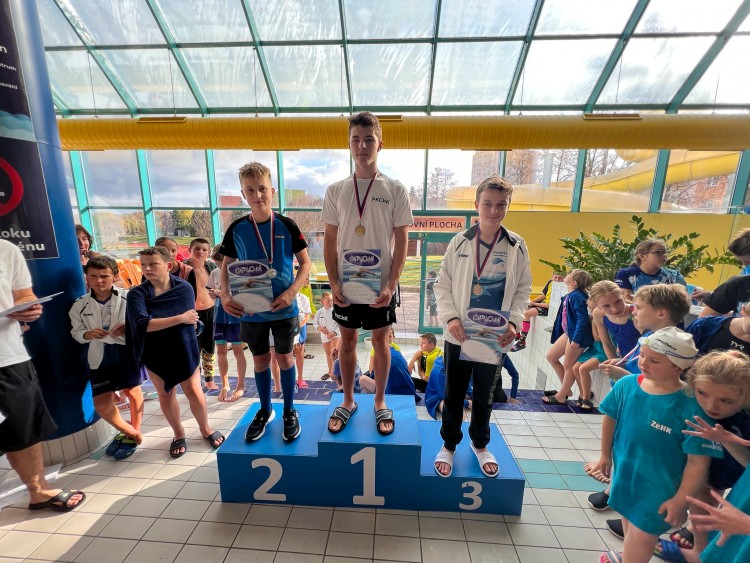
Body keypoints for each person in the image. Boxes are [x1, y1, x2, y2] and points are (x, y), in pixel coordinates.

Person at [588, 328, 722, 563]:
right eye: (642, 355)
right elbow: (610, 417)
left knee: (642, 537)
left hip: (659, 490)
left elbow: (698, 463)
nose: (643, 363)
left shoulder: (691, 406)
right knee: (630, 527)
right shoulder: (627, 385)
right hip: (626, 478)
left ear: (678, 367)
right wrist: (604, 456)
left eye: (655, 360)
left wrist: (680, 500)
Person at [433, 175, 532, 479]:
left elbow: (523, 289)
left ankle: (480, 443)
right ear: (476, 204)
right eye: (487, 204)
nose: (493, 210)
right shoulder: (460, 242)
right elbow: (442, 285)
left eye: (501, 205)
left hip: (495, 336)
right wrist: (451, 318)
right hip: (460, 333)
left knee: (486, 395)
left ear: (508, 206)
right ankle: (449, 444)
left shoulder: (517, 245)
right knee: (453, 392)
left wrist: (514, 321)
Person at [322, 111, 412, 435]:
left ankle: (379, 400)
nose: (362, 146)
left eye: (368, 140)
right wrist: (333, 283)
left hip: (380, 287)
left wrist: (391, 284)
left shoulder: (395, 189)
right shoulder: (336, 190)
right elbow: (329, 240)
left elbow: (402, 241)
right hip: (347, 285)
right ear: (349, 145)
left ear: (380, 144)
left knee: (380, 342)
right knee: (346, 342)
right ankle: (348, 400)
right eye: (356, 140)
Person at [220, 161, 311, 442]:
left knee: (285, 358)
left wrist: (292, 291)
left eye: (262, 188)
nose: (257, 195)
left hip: (284, 308)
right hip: (252, 310)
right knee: (260, 361)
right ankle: (264, 409)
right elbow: (226, 265)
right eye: (250, 190)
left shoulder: (287, 225)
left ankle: (290, 410)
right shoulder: (237, 228)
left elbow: (306, 263)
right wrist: (225, 295)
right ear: (243, 194)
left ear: (272, 191)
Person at [588, 284, 692, 525]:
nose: (633, 310)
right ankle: (618, 495)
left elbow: (660, 385)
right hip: (636, 404)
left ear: (661, 313)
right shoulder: (649, 337)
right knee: (626, 448)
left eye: (639, 307)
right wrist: (620, 364)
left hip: (650, 410)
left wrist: (622, 375)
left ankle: (638, 516)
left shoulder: (672, 346)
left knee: (644, 458)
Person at [0, 239, 85, 512]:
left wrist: (28, 306)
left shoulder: (6, 250)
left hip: (8, 357)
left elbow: (23, 294)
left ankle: (38, 491)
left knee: (22, 429)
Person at [125, 246, 224, 458]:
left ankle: (205, 428)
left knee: (195, 393)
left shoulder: (184, 288)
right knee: (166, 394)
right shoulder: (137, 293)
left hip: (184, 347)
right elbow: (142, 325)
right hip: (154, 352)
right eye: (143, 265)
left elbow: (189, 322)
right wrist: (180, 319)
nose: (147, 269)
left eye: (153, 264)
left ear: (168, 265)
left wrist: (162, 321)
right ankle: (178, 433)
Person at [652, 350, 750, 561]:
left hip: (738, 478)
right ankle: (700, 552)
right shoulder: (690, 400)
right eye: (702, 393)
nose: (711, 406)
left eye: (726, 401)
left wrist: (727, 440)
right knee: (700, 504)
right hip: (708, 473)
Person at [69, 256, 144, 460]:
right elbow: (75, 332)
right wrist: (88, 334)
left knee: (132, 392)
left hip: (126, 352)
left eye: (104, 276)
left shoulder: (130, 297)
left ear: (115, 275)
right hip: (99, 355)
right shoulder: (79, 305)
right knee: (101, 403)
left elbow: (145, 322)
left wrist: (130, 328)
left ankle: (133, 432)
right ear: (86, 277)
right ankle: (131, 433)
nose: (99, 280)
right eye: (93, 276)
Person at [543, 269, 594, 406]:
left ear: (574, 282)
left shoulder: (577, 296)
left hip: (578, 335)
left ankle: (561, 395)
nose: (567, 274)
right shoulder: (571, 294)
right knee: (551, 357)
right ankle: (566, 390)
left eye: (570, 274)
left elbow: (582, 319)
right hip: (569, 332)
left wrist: (576, 340)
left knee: (568, 365)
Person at [207, 245, 246, 403]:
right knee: (221, 351)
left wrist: (222, 293)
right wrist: (214, 294)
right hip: (219, 315)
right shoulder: (215, 273)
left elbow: (245, 295)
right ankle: (225, 385)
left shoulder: (239, 272)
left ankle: (241, 385)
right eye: (217, 264)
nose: (219, 267)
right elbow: (211, 294)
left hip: (235, 316)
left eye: (222, 263)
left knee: (238, 350)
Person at [183, 238, 218, 390]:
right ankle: (195, 378)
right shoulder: (184, 269)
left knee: (209, 346)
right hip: (192, 314)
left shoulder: (211, 267)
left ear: (208, 252)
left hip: (210, 311)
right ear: (190, 250)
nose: (200, 252)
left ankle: (209, 378)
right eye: (197, 248)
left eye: (204, 249)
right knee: (193, 347)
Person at [614, 238, 687, 302]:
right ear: (642, 256)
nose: (664, 255)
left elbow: (683, 300)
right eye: (658, 252)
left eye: (665, 252)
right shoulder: (626, 274)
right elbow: (625, 299)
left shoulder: (674, 275)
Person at [693, 227, 750, 302]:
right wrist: (712, 294)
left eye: (745, 260)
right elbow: (734, 295)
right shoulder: (747, 269)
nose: (743, 264)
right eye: (741, 260)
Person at [512, 271, 564, 351]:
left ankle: (522, 342)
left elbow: (551, 306)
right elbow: (543, 296)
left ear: (564, 279)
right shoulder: (550, 283)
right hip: (543, 304)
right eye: (555, 277)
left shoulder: (563, 288)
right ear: (552, 277)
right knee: (522, 307)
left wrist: (535, 304)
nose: (557, 280)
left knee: (527, 313)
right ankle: (517, 333)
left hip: (550, 309)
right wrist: (531, 302)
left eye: (560, 278)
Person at [424, 356, 472, 420]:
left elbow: (466, 385)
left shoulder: (461, 363)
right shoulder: (441, 373)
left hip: (452, 390)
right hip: (438, 397)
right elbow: (446, 397)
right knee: (456, 416)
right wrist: (467, 403)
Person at [313, 291, 340, 380]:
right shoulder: (319, 312)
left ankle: (337, 372)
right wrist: (319, 328)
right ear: (322, 301)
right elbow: (315, 323)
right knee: (328, 354)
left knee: (334, 354)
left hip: (335, 335)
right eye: (328, 300)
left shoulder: (336, 311)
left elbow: (341, 324)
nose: (330, 302)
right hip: (324, 336)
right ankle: (330, 371)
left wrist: (334, 333)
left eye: (331, 300)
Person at [294, 286, 312, 389]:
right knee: (286, 355)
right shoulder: (284, 297)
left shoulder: (303, 298)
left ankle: (300, 378)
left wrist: (298, 326)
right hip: (287, 327)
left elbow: (306, 316)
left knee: (299, 353)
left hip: (300, 326)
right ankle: (286, 378)